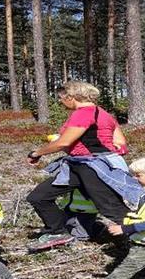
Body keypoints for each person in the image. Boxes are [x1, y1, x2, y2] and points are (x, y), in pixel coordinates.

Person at [25, 81, 134, 251]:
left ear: (71, 97)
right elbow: (121, 143)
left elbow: (64, 142)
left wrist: (36, 153)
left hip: (92, 168)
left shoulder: (83, 113)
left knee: (111, 208)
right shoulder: (104, 114)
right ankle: (58, 231)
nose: (61, 102)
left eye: (62, 98)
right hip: (79, 165)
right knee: (39, 196)